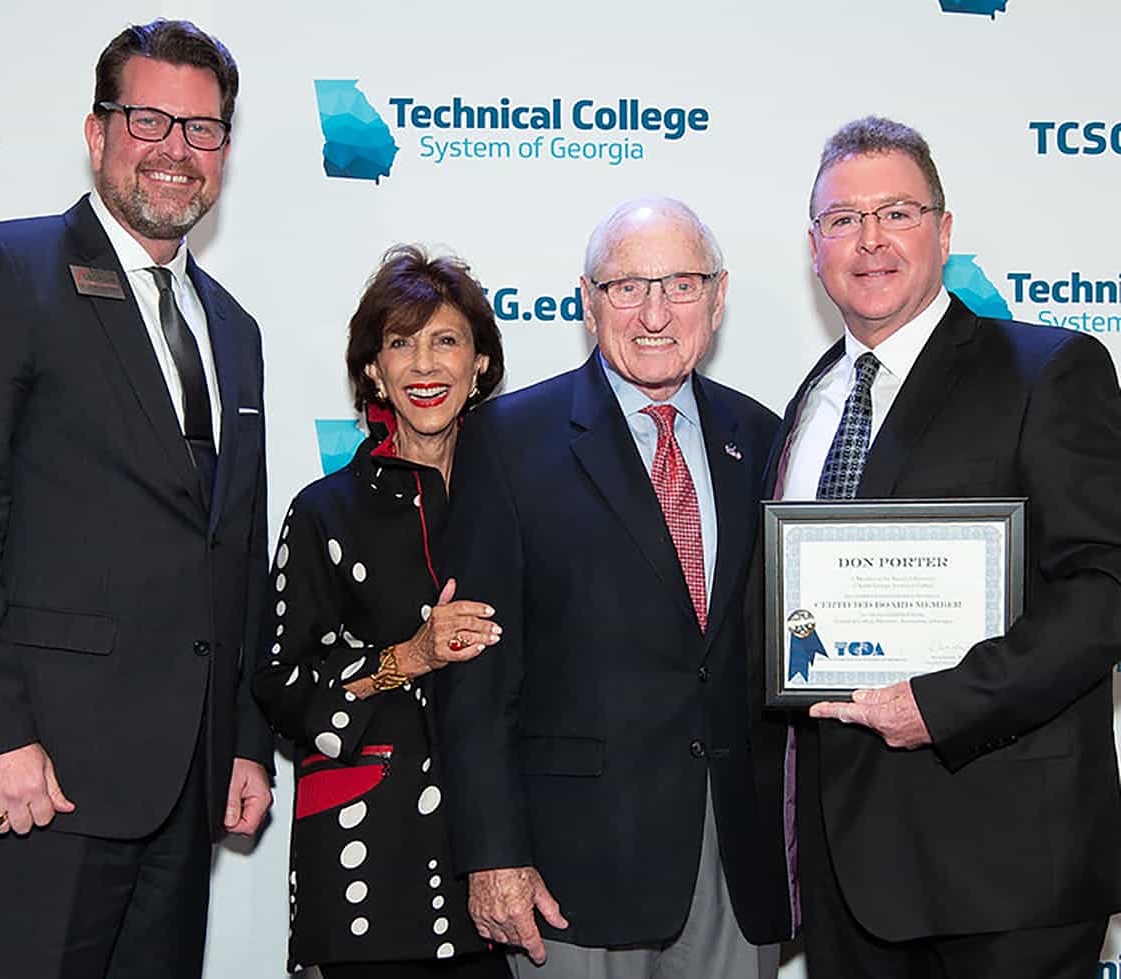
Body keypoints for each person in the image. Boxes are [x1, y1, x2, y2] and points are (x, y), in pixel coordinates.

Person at [0, 18, 273, 979]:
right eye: (150, 120)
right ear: (96, 131)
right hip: (37, 782)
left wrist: (242, 741)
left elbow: (233, 550)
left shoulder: (232, 329)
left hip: (183, 789)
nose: (176, 151)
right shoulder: (3, 270)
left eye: (202, 130)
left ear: (225, 153)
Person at [768, 116, 1121, 979]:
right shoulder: (807, 400)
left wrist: (947, 701)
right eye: (843, 220)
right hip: (848, 873)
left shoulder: (1049, 370)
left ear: (945, 229)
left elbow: (1105, 586)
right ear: (814, 247)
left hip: (1006, 869)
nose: (871, 240)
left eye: (898, 211)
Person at [434, 198, 792, 979]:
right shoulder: (506, 439)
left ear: (719, 296)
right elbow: (476, 672)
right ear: (588, 301)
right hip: (571, 868)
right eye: (628, 287)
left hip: (733, 854)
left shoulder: (765, 438)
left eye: (682, 284)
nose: (656, 312)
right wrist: (493, 854)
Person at [253, 245, 510, 979]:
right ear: (374, 370)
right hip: (368, 873)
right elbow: (279, 685)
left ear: (481, 364)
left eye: (446, 340)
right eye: (400, 343)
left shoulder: (524, 500)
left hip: (506, 868)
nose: (424, 366)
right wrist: (409, 657)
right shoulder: (324, 512)